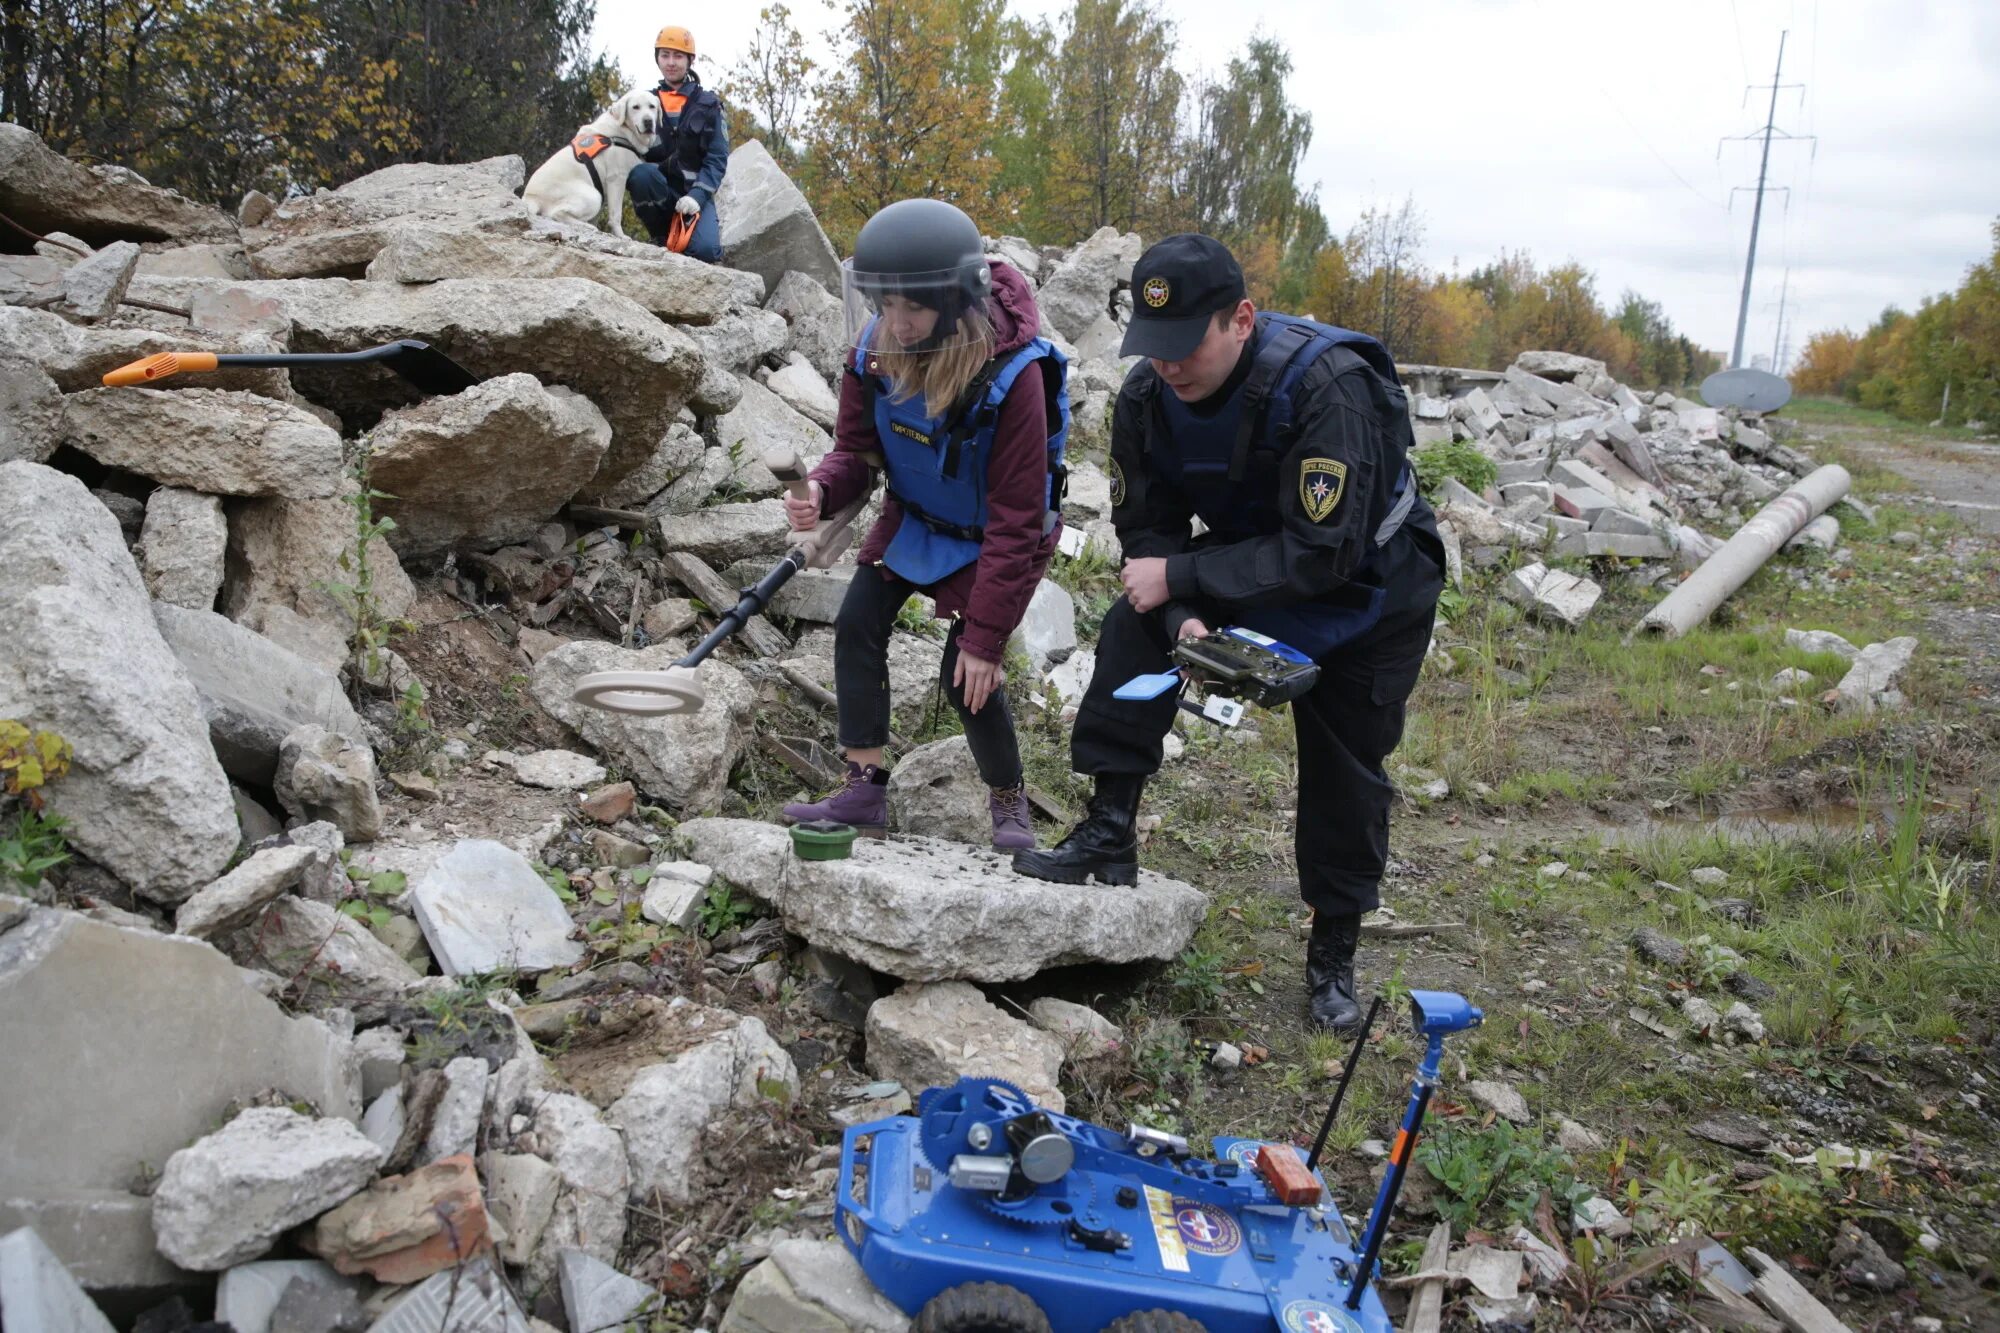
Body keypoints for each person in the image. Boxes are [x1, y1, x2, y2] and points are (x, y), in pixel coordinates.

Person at [1012, 233, 1445, 1035]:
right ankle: (1109, 831)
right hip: (1257, 562)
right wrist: (1179, 616)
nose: (1170, 366)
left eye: (1187, 346)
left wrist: (1183, 579)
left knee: (1347, 762)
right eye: (1155, 347)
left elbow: (1325, 552)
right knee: (1130, 629)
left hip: (1375, 583)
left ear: (1241, 319)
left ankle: (1333, 952)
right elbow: (1150, 530)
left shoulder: (1328, 389)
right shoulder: (1148, 399)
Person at [779, 199, 1070, 850]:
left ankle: (1008, 801)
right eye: (885, 305)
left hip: (996, 536)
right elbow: (856, 452)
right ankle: (863, 788)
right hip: (918, 513)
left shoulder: (1013, 376)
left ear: (954, 299)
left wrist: (987, 639)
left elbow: (1019, 521)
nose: (896, 323)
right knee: (857, 620)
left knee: (965, 673)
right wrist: (823, 493)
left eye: (913, 309)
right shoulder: (874, 350)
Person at [625, 25, 728, 262]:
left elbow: (717, 159)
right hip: (659, 188)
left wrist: (697, 197)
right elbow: (622, 144)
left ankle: (686, 237)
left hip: (694, 195)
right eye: (665, 55)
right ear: (657, 59)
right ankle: (661, 238)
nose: (671, 62)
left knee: (706, 252)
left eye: (678, 56)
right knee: (641, 174)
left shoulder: (709, 105)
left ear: (690, 60)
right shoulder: (643, 103)